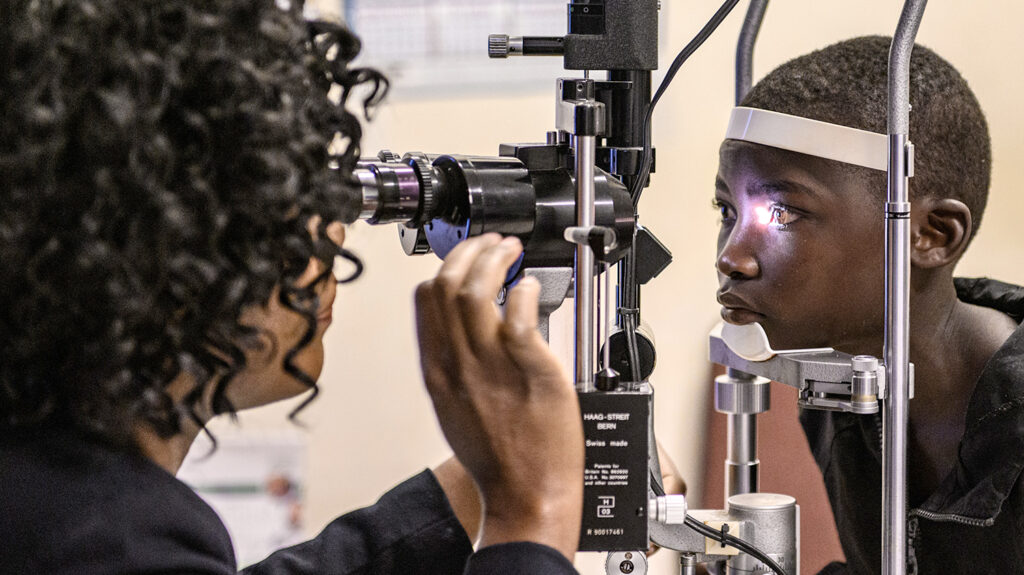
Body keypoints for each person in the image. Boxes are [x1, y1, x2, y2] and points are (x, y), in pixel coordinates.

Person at [0, 1, 587, 573]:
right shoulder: (105, 539)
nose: (334, 230)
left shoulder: (49, 493)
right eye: (287, 192)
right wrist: (531, 515)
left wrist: (478, 485)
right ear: (158, 244)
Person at [713, 36, 1024, 574]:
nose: (732, 257)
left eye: (782, 214)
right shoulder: (838, 383)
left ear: (929, 234)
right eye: (726, 210)